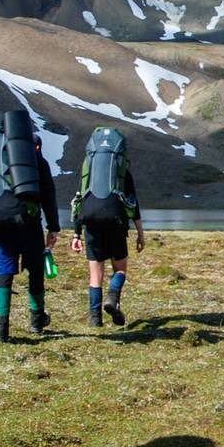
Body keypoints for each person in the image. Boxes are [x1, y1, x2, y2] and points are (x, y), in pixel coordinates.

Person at [69, 129, 145, 327]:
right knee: (120, 269)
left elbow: (79, 200)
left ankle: (95, 319)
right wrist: (140, 234)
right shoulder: (122, 173)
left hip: (91, 221)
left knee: (95, 274)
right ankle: (112, 297)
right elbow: (133, 204)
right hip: (116, 221)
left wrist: (76, 233)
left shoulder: (89, 169)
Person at [0, 136, 59, 343]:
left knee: (4, 274)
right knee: (36, 271)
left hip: (2, 225)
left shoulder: (0, 159)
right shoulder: (39, 161)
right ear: (36, 146)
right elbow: (49, 195)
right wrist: (53, 227)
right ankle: (37, 321)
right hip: (30, 225)